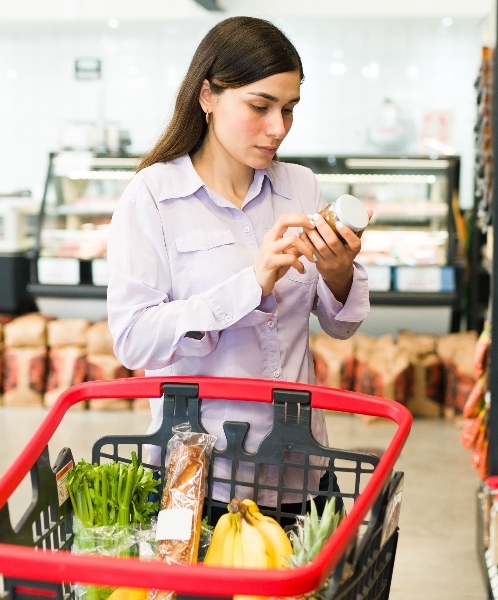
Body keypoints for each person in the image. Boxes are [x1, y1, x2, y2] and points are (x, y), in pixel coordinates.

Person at [106, 16, 371, 521]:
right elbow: (134, 340)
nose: (279, 128)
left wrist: (340, 271)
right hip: (198, 475)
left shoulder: (300, 186)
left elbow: (342, 324)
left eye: (289, 109)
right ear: (207, 94)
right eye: (260, 106)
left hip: (298, 464)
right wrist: (250, 284)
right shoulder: (153, 197)